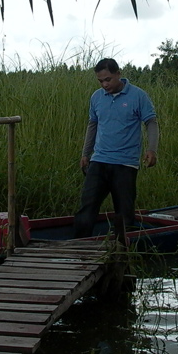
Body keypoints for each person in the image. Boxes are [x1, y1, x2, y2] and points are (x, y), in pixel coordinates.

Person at [73, 58, 159, 239]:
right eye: (100, 81)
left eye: (108, 79)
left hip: (125, 163)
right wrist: (85, 153)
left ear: (118, 74)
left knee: (124, 211)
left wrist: (152, 149)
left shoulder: (138, 96)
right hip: (99, 160)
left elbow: (150, 122)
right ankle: (79, 246)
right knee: (87, 206)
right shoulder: (96, 97)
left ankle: (122, 250)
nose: (104, 84)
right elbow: (93, 125)